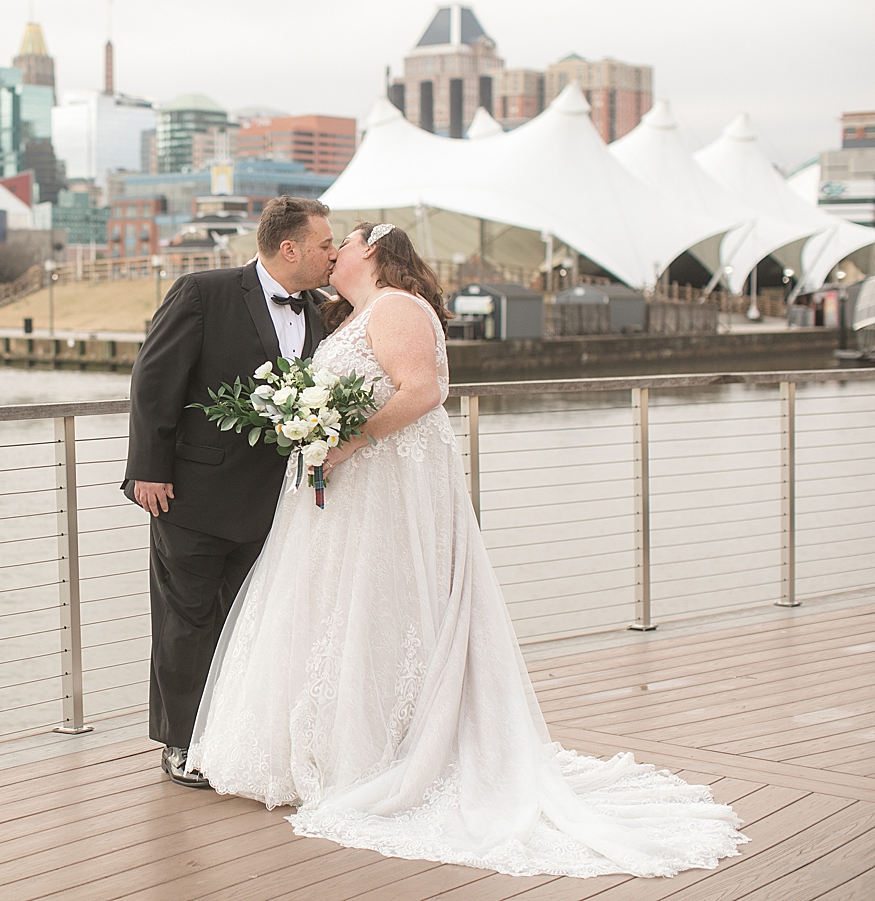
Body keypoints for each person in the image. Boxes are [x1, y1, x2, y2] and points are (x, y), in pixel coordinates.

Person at [186, 222, 746, 878]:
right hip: (350, 493)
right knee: (348, 613)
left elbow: (423, 390)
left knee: (382, 611)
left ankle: (385, 755)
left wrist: (345, 441)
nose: (334, 250)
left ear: (373, 251)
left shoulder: (396, 308)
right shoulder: (361, 313)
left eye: (347, 240)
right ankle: (338, 748)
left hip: (383, 488)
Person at [124, 195, 338, 787]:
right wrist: (149, 469)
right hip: (191, 492)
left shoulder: (321, 310)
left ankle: (238, 736)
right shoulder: (204, 292)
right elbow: (153, 379)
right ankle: (181, 743)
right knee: (186, 620)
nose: (332, 252)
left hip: (278, 503)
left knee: (255, 621)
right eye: (324, 243)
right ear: (288, 248)